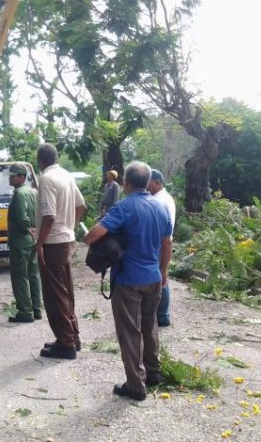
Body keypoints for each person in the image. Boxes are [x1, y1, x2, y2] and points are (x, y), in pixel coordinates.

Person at [84, 161, 172, 401]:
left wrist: (86, 236)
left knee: (130, 332)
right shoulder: (161, 207)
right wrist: (163, 273)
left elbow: (93, 235)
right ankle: (153, 373)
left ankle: (135, 385)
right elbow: (167, 244)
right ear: (146, 182)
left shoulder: (124, 207)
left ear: (126, 183)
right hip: (154, 277)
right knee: (149, 326)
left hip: (129, 280)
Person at [34, 143, 86, 360]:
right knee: (66, 291)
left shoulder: (46, 179)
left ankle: (66, 344)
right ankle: (72, 335)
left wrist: (39, 243)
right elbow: (81, 206)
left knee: (55, 295)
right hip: (67, 239)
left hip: (53, 243)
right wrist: (70, 227)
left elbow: (49, 216)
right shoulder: (66, 175)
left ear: (40, 160)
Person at [7, 163, 42, 323]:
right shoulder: (33, 192)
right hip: (31, 240)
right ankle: (36, 308)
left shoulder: (20, 193)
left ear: (22, 177)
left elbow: (22, 217)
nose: (10, 178)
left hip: (20, 241)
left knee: (20, 277)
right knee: (33, 274)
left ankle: (25, 311)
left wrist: (28, 228)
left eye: (13, 176)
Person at [147, 169, 176, 327]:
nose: (146, 185)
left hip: (160, 243)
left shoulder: (160, 200)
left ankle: (162, 315)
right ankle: (161, 314)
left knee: (161, 278)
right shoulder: (162, 197)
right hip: (162, 242)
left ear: (157, 182)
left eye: (148, 182)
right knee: (161, 277)